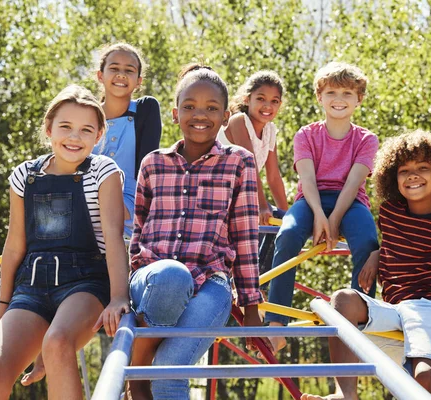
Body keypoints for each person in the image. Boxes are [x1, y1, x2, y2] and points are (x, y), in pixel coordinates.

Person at [302, 130, 431, 400]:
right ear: (394, 177)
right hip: (396, 310)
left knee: (425, 378)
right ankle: (346, 394)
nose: (413, 175)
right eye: (404, 170)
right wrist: (376, 254)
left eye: (423, 168)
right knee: (342, 300)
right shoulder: (390, 214)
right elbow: (403, 245)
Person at [0, 85, 130, 400]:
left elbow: (114, 238)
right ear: (49, 129)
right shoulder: (24, 176)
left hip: (85, 283)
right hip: (30, 286)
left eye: (86, 130)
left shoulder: (103, 172)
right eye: (65, 127)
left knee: (57, 342)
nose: (75, 137)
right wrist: (3, 314)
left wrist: (117, 298)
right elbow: (15, 246)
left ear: (99, 135)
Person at [127, 64, 271, 400]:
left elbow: (245, 237)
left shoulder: (239, 162)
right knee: (171, 275)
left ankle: (142, 376)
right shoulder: (152, 163)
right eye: (189, 106)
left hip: (210, 281)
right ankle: (137, 376)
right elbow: (138, 232)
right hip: (152, 278)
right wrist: (125, 288)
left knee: (170, 372)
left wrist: (251, 305)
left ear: (225, 118)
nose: (199, 114)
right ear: (176, 114)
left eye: (211, 108)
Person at [264, 62, 380, 354]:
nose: (338, 98)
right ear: (319, 97)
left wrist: (334, 219)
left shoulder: (366, 139)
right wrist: (319, 216)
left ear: (358, 99)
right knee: (288, 234)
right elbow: (307, 180)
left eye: (346, 93)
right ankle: (276, 320)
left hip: (350, 203)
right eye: (331, 92)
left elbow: (354, 183)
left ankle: (360, 317)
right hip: (310, 201)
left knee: (367, 240)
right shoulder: (306, 134)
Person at [217, 70, 289, 274]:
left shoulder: (270, 130)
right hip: (223, 194)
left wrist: (288, 216)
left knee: (281, 223)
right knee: (262, 216)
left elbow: (273, 177)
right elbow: (248, 167)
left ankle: (262, 277)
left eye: (275, 101)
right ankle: (246, 277)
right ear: (247, 99)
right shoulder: (239, 121)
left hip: (244, 197)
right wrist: (262, 206)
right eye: (261, 99)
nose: (268, 106)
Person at [94, 42, 162, 238]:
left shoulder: (145, 109)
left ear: (139, 81)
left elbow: (146, 169)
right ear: (100, 75)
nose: (121, 74)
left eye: (129, 70)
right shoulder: (86, 114)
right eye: (114, 68)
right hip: (84, 203)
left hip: (128, 207)